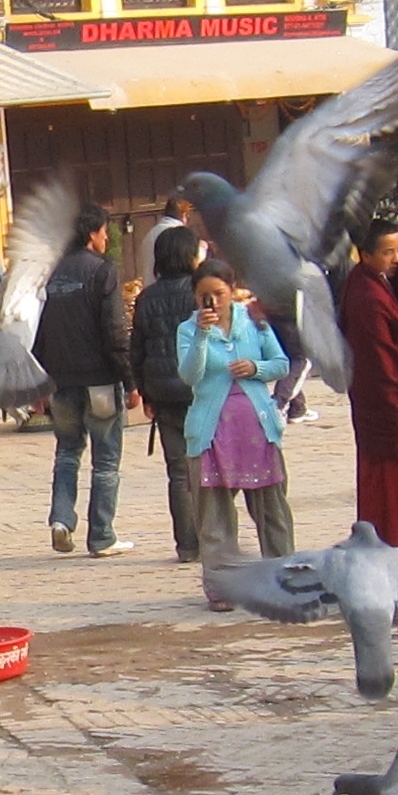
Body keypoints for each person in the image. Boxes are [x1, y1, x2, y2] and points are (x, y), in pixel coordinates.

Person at [179, 259, 297, 560]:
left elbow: (281, 364)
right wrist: (202, 335)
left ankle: (283, 573)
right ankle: (222, 578)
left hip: (257, 429)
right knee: (214, 516)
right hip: (212, 432)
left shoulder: (254, 321)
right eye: (204, 296)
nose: (213, 302)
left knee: (272, 511)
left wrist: (256, 368)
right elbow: (190, 375)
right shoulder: (188, 330)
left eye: (219, 293)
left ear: (232, 290)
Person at [33, 210, 132, 558]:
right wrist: (131, 380)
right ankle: (102, 536)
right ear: (92, 234)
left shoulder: (52, 273)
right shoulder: (103, 271)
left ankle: (61, 520)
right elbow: (115, 332)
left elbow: (41, 331)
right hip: (100, 380)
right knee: (105, 460)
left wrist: (38, 384)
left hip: (60, 382)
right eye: (104, 232)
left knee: (67, 452)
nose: (106, 238)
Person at [338, 215, 398, 542]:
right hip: (386, 412)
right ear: (366, 255)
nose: (397, 260)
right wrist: (397, 419)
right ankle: (392, 549)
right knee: (389, 494)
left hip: (397, 409)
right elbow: (382, 365)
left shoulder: (376, 282)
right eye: (388, 252)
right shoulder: (367, 296)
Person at [127, 222, 207, 563]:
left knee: (178, 471)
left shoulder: (147, 298)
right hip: (201, 390)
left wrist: (145, 394)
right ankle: (211, 537)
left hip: (163, 394)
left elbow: (137, 349)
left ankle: (187, 545)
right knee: (207, 466)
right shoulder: (200, 292)